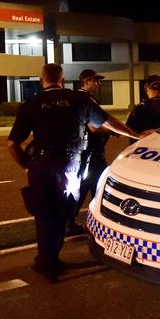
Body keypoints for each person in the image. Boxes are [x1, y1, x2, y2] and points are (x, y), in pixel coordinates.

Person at [7, 63, 149, 282]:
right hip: (70, 166)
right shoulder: (78, 100)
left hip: (41, 167)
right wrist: (137, 135)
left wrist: (26, 165)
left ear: (42, 80)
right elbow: (109, 122)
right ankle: (51, 259)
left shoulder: (32, 104)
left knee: (45, 215)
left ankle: (47, 261)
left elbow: (11, 143)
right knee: (62, 212)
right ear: (62, 79)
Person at [66, 69, 111, 235]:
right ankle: (73, 222)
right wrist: (111, 130)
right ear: (86, 81)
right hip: (90, 153)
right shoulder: (84, 99)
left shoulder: (81, 98)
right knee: (93, 187)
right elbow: (93, 127)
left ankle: (82, 221)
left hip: (88, 152)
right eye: (95, 81)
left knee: (93, 187)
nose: (98, 84)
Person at [125, 74, 160, 139]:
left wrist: (131, 116)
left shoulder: (141, 108)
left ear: (146, 88)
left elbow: (128, 129)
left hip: (146, 146)